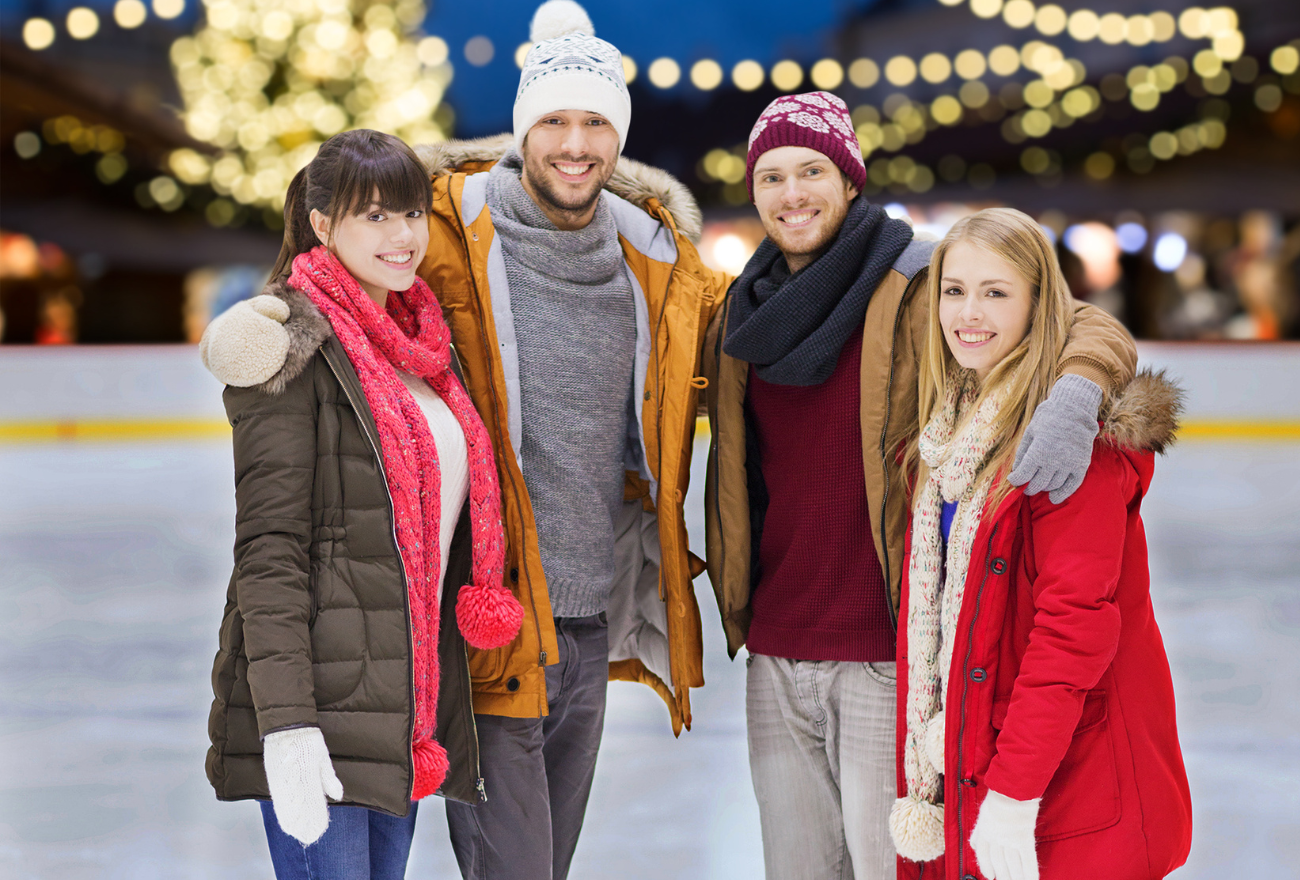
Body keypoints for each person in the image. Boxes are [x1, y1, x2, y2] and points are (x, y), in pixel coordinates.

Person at [200, 3, 731, 877]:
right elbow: (329, 282)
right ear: (521, 131)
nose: (573, 141)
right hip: (487, 625)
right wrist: (262, 329)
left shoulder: (651, 263)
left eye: (596, 120)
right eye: (552, 119)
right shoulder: (453, 238)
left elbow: (730, 358)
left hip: (570, 628)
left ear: (619, 138)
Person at [702, 93, 1139, 880]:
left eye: (813, 170)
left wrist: (1077, 394)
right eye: (771, 175)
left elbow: (1074, 318)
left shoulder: (916, 274)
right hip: (777, 647)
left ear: (850, 178)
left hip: (886, 650)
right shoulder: (741, 311)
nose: (792, 192)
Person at [201, 128, 523, 880]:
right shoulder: (289, 349)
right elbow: (270, 552)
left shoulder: (425, 348)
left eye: (411, 213)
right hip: (317, 710)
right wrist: (287, 728)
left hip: (399, 710)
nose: (403, 235)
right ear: (321, 224)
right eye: (374, 216)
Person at [890, 207, 1193, 880]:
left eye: (996, 292)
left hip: (1066, 782)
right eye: (955, 290)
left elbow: (1071, 633)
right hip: (975, 756)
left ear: (1038, 303)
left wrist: (1014, 793)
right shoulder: (944, 435)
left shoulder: (1066, 443)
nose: (969, 313)